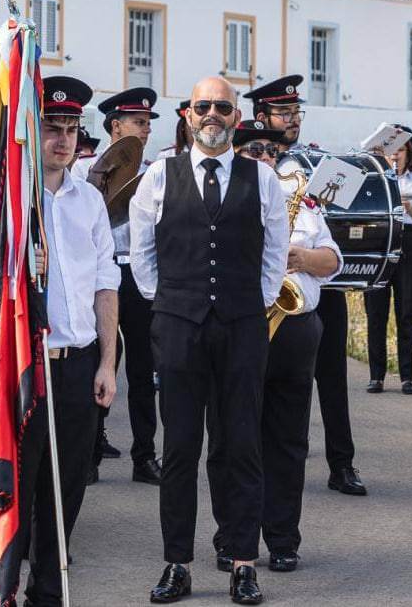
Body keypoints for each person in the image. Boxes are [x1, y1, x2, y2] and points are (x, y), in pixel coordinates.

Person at [133, 76, 289, 604]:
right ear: (188, 114)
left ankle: (244, 562)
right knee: (179, 447)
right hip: (178, 324)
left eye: (223, 106)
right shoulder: (159, 175)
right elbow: (142, 259)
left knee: (241, 443)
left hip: (243, 324)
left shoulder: (262, 178)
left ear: (236, 115)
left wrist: (250, 302)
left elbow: (274, 255)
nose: (213, 115)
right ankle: (177, 563)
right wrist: (176, 301)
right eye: (204, 106)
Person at [4, 74, 120, 607]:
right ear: (33, 131)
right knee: (14, 486)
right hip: (24, 361)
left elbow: (105, 283)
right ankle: (0, 591)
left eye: (72, 129)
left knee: (65, 485)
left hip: (77, 362)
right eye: (53, 127)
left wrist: (107, 364)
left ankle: (46, 592)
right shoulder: (2, 198)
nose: (64, 139)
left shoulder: (89, 199)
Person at [215, 115, 341, 574]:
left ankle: (283, 538)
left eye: (271, 150)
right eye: (254, 150)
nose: (265, 157)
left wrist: (302, 257)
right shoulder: (225, 199)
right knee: (234, 437)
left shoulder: (302, 203)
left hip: (294, 327)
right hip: (243, 327)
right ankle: (231, 536)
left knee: (289, 441)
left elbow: (333, 259)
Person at [248, 74, 366, 497]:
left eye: (296, 112)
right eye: (283, 113)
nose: (292, 120)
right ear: (261, 116)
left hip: (316, 283)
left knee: (333, 377)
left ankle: (342, 463)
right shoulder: (251, 160)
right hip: (266, 295)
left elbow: (345, 213)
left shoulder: (314, 162)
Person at [72, 86, 162, 485]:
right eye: (138, 123)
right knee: (101, 360)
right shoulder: (81, 169)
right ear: (115, 126)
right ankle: (89, 451)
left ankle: (145, 456)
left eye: (147, 124)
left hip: (137, 271)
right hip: (100, 273)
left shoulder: (155, 171)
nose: (145, 130)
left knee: (144, 367)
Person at [364, 124, 412, 394]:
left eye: (401, 149)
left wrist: (409, 207)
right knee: (376, 311)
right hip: (380, 241)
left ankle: (407, 377)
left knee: (407, 310)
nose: (396, 155)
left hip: (408, 242)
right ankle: (376, 375)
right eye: (390, 149)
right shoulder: (373, 179)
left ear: (408, 152)